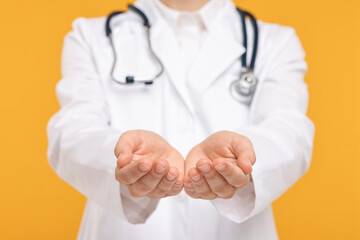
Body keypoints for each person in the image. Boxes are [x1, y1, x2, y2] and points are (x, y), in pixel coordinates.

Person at [47, 0, 315, 239]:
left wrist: (247, 153)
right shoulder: (90, 37)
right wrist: (122, 156)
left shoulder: (274, 42)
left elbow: (289, 130)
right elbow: (72, 131)